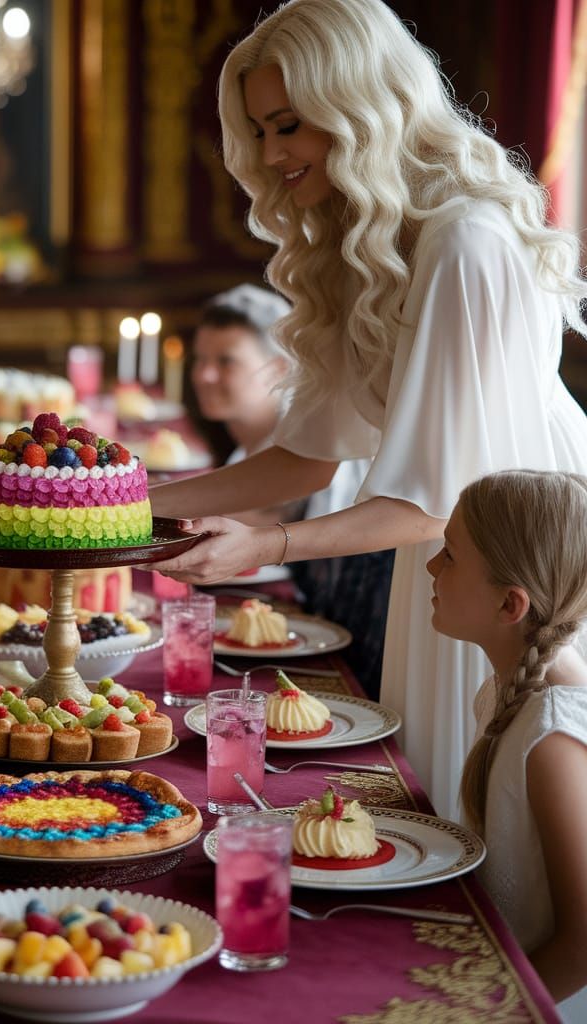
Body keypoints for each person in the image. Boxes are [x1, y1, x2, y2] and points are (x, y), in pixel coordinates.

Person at [149, 0, 587, 821]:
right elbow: (310, 457)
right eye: (260, 131)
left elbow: (429, 504)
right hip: (450, 554)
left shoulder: (464, 241)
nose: (272, 154)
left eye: (289, 126)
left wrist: (265, 544)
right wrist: (128, 508)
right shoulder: (368, 239)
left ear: (358, 106)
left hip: (517, 559)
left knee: (498, 813)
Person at [427, 471, 587, 1018]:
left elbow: (582, 950)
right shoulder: (500, 691)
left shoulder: (554, 739)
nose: (430, 568)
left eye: (448, 555)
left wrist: (469, 1014)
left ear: (509, 605)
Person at [189, 283, 393, 696]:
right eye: (201, 359)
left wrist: (131, 503)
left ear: (280, 368)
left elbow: (264, 511)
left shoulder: (301, 434)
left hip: (362, 611)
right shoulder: (249, 436)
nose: (205, 375)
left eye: (225, 361)